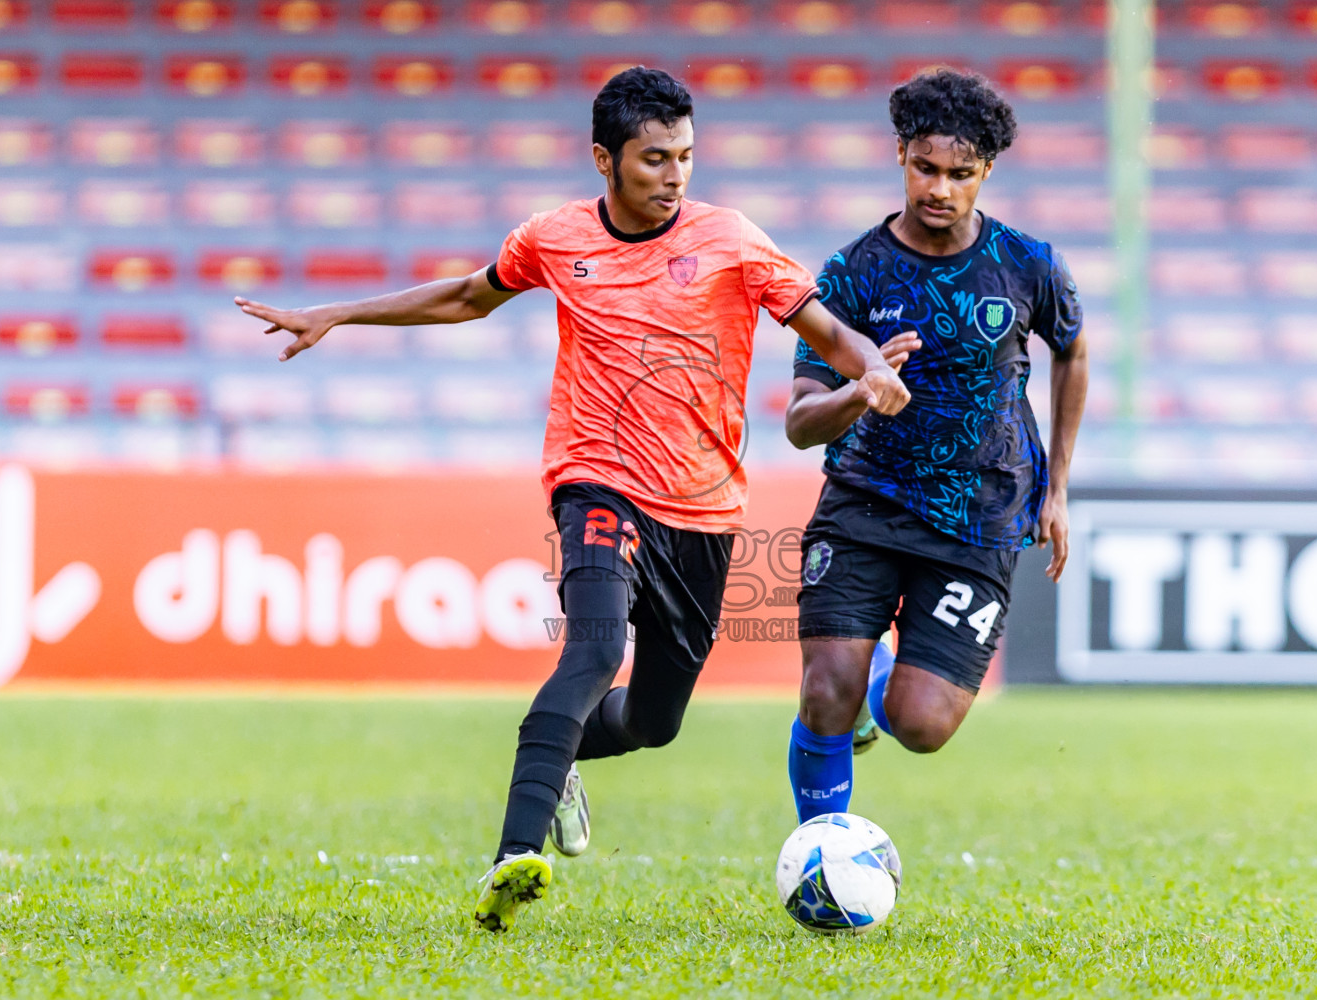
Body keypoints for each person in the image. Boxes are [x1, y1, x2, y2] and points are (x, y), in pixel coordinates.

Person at [234, 67, 910, 931]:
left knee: (657, 722)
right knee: (589, 657)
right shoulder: (555, 238)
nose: (674, 175)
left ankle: (560, 764)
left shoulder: (732, 240)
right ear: (604, 159)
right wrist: (339, 312)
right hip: (596, 483)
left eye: (686, 157)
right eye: (655, 158)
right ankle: (514, 858)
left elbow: (824, 328)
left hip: (703, 513)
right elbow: (468, 297)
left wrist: (871, 367)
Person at [783, 68, 1087, 823]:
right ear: (900, 157)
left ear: (987, 171)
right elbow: (798, 422)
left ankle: (878, 676)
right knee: (826, 689)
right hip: (865, 501)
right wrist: (858, 390)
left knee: (920, 724)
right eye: (926, 168)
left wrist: (1058, 488)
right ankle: (823, 851)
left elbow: (1073, 352)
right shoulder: (854, 273)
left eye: (960, 173)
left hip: (980, 515)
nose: (940, 188)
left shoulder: (1028, 265)